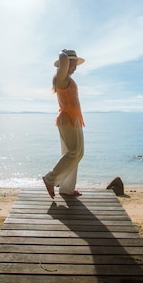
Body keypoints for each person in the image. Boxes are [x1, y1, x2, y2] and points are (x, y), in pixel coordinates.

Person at [43, 49, 85, 199]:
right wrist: (63, 53)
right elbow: (62, 58)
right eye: (72, 64)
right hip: (67, 119)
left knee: (77, 154)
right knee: (73, 153)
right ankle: (50, 179)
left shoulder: (67, 78)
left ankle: (67, 189)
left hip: (74, 119)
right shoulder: (62, 78)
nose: (75, 67)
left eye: (75, 64)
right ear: (66, 64)